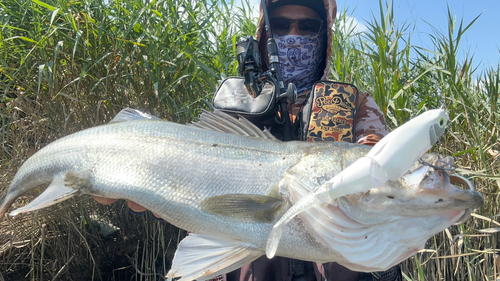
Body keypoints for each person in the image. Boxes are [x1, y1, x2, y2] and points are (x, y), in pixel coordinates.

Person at [95, 0, 399, 280]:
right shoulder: (232, 103)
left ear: (325, 36)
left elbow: (383, 172)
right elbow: (192, 179)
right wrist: (145, 193)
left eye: (307, 27)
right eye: (281, 25)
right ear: (265, 34)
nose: (294, 35)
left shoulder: (355, 104)